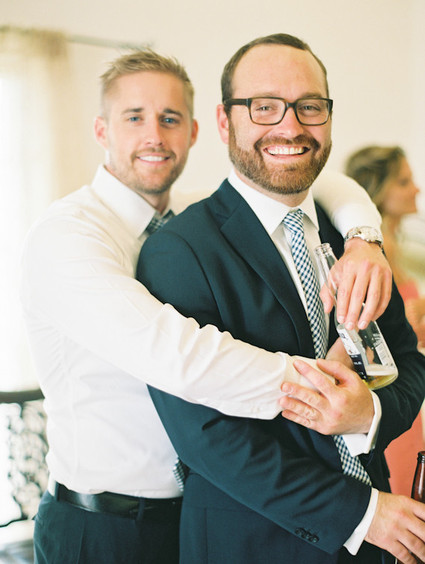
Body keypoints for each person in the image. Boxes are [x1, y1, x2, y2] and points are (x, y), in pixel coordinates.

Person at [20, 48, 392, 564]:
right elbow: (177, 356)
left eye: (170, 118)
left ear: (197, 131)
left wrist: (364, 240)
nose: (155, 136)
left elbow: (319, 176)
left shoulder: (189, 213)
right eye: (134, 117)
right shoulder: (68, 235)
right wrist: (323, 387)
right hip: (103, 527)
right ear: (101, 130)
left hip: (194, 518)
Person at [138, 34, 425, 563]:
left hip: (380, 542)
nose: (290, 127)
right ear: (224, 122)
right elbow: (205, 435)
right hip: (255, 544)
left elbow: (408, 363)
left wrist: (369, 413)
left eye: (309, 107)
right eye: (264, 107)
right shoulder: (179, 250)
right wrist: (362, 514)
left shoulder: (356, 242)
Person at [346, 145, 425, 496]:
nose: (416, 189)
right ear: (378, 190)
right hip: (390, 382)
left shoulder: (397, 243)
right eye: (404, 182)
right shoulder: (380, 251)